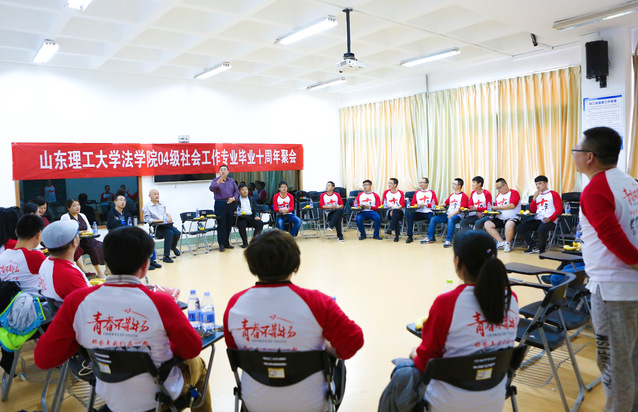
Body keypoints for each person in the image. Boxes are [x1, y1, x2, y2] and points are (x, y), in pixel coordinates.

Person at [34, 226, 212, 412]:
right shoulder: (161, 303)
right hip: (157, 399)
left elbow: (43, 359)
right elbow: (192, 348)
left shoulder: (76, 301)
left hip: (111, 397)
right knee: (198, 364)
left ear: (106, 262)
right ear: (145, 265)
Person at [224, 230, 364, 412]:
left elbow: (234, 347)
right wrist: (330, 349)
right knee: (339, 363)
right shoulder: (318, 303)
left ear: (252, 265)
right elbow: (353, 341)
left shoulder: (235, 305)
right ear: (295, 264)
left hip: (255, 404)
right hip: (312, 405)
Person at [386, 230, 519, 411]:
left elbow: (425, 362)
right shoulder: (511, 298)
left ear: (458, 263)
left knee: (402, 370)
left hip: (447, 404)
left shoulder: (448, 302)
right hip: (494, 401)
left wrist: (414, 353)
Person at [572, 126, 638, 411]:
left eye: (576, 150)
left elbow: (617, 242)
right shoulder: (629, 181)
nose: (573, 155)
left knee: (614, 363)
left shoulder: (596, 189)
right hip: (627, 288)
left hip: (614, 291)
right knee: (630, 357)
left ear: (589, 156)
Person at [39, 220, 90, 303]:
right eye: (77, 233)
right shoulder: (68, 274)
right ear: (74, 241)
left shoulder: (46, 263)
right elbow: (90, 304)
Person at [109, 191, 161, 270]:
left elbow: (132, 225)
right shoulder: (111, 213)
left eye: (124, 200)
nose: (123, 202)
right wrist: (126, 228)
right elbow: (113, 225)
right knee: (135, 241)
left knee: (148, 237)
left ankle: (151, 260)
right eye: (120, 200)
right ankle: (141, 263)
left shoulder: (127, 214)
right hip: (119, 235)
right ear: (115, 202)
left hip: (129, 232)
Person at [0, 214, 46, 295]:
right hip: (34, 301)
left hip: (8, 301)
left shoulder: (2, 256)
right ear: (38, 234)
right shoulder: (35, 256)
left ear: (16, 232)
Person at [515, 175, 562, 254]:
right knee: (519, 228)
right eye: (536, 184)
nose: (537, 186)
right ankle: (533, 246)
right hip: (538, 219)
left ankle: (542, 248)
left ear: (546, 183)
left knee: (542, 229)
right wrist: (534, 198)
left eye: (540, 183)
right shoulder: (537, 195)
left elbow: (559, 210)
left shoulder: (554, 194)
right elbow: (532, 210)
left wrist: (550, 219)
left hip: (550, 220)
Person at [61, 198, 106, 279]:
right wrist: (79, 232)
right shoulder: (65, 217)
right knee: (93, 249)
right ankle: (99, 272)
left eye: (78, 205)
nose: (77, 207)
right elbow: (66, 232)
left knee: (101, 245)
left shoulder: (82, 215)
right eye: (74, 206)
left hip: (87, 239)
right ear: (68, 208)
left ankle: (107, 269)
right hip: (75, 242)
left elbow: (89, 229)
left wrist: (86, 232)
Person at [422, 178, 469, 247]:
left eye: (454, 184)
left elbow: (461, 209)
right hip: (448, 214)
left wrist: (452, 214)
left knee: (451, 220)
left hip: (458, 215)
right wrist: (438, 206)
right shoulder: (452, 195)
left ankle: (448, 240)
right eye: (453, 183)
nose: (452, 185)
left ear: (459, 186)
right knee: (434, 219)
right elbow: (445, 203)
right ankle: (429, 237)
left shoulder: (464, 196)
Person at [143, 189, 181, 262]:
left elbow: (165, 215)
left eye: (158, 194)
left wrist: (168, 217)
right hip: (158, 227)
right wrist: (161, 220)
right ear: (149, 196)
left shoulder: (162, 204)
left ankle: (173, 247)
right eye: (154, 194)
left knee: (177, 233)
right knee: (170, 233)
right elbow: (148, 220)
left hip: (167, 224)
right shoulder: (146, 206)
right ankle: (166, 256)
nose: (157, 195)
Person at [483, 178, 521, 253]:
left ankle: (507, 243)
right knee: (487, 224)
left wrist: (497, 207)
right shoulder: (499, 195)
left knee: (509, 224)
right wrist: (492, 210)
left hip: (512, 218)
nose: (498, 190)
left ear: (505, 185)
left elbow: (512, 205)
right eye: (497, 188)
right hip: (500, 218)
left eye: (499, 188)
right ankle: (501, 242)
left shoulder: (514, 193)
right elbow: (496, 207)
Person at [209, 164, 239, 252]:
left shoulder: (231, 180)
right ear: (219, 172)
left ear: (228, 171)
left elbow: (237, 191)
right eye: (221, 170)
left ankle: (226, 243)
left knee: (228, 224)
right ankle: (221, 244)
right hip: (220, 204)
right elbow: (211, 188)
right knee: (221, 224)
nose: (223, 171)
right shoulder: (215, 180)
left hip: (230, 204)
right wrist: (218, 182)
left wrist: (234, 198)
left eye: (225, 169)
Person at [406, 177, 438, 244]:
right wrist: (418, 205)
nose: (420, 184)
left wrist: (426, 205)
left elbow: (435, 203)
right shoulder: (417, 192)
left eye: (422, 183)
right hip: (419, 211)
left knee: (432, 218)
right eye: (420, 183)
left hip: (428, 211)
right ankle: (410, 236)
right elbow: (412, 203)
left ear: (426, 183)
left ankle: (431, 236)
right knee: (410, 216)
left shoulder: (431, 192)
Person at [236, 183, 264, 248]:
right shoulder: (237, 199)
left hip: (250, 217)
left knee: (260, 223)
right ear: (239, 191)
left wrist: (257, 215)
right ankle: (245, 243)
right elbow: (234, 209)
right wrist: (235, 212)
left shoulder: (251, 198)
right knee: (241, 224)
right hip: (241, 217)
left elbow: (256, 209)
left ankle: (254, 242)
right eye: (243, 190)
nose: (245, 191)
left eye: (246, 189)